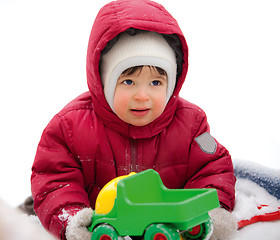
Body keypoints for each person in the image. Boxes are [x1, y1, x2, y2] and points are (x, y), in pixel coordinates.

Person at [31, 0, 236, 239]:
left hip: (168, 228)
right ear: (104, 83)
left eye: (156, 82)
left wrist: (210, 210)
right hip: (107, 226)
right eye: (128, 81)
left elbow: (213, 167)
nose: (142, 96)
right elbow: (54, 180)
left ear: (172, 83)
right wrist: (73, 218)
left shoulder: (192, 124)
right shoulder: (69, 127)